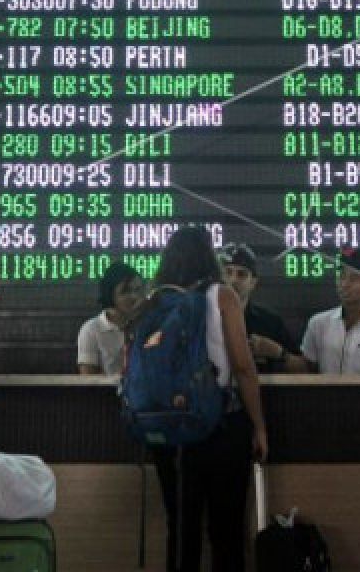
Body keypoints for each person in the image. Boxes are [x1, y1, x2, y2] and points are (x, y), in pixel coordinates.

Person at [148, 226, 268, 572]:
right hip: (221, 427)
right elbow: (244, 368)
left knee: (181, 529)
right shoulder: (222, 296)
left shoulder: (155, 298)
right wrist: (258, 426)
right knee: (226, 531)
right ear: (209, 256)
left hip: (169, 431)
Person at [217, 242, 308, 373]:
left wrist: (278, 352)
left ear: (253, 282)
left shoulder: (269, 323)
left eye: (241, 274)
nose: (233, 280)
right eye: (227, 272)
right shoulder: (204, 319)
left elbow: (303, 369)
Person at [77, 260, 144, 374]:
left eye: (137, 290)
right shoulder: (91, 329)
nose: (134, 297)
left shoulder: (146, 325)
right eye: (126, 291)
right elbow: (87, 380)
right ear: (110, 293)